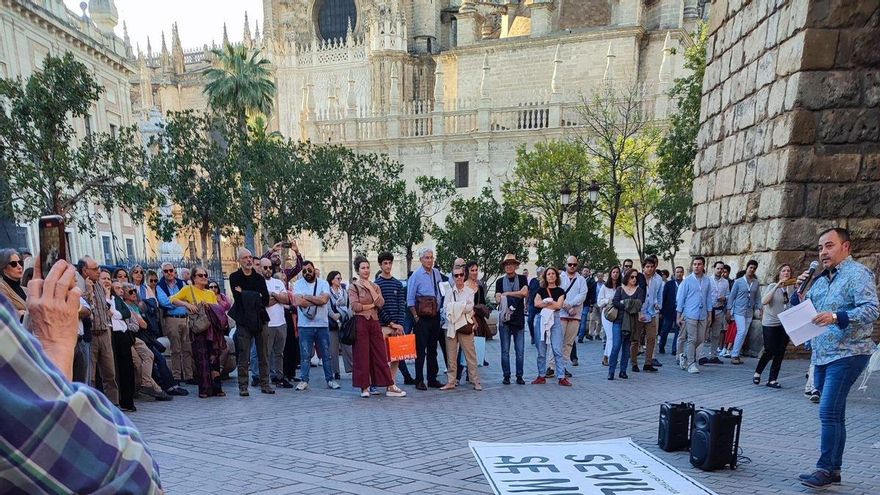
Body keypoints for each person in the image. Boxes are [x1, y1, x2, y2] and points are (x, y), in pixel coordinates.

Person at [0, 260, 162, 493]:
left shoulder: (98, 289)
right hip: (86, 337)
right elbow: (133, 478)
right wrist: (54, 346)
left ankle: (117, 402)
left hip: (90, 337)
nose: (99, 275)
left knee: (108, 373)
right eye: (12, 263)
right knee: (93, 378)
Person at [791, 228, 878, 488]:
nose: (823, 252)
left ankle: (826, 468)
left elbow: (872, 309)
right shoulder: (819, 280)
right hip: (823, 354)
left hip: (848, 352)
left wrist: (837, 316)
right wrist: (800, 293)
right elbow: (809, 310)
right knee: (833, 413)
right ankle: (833, 469)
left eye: (829, 246)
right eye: (820, 248)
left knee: (828, 410)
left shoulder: (858, 274)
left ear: (846, 247)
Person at [349, 256, 405, 397]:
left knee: (380, 354)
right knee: (362, 355)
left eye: (367, 267)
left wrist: (370, 289)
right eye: (363, 268)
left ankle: (390, 385)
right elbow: (355, 306)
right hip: (361, 321)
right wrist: (372, 305)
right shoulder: (353, 287)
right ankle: (365, 387)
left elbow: (381, 303)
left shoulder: (375, 286)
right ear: (358, 270)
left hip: (374, 322)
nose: (366, 270)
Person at [171, 266, 228, 398]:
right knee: (201, 358)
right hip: (198, 328)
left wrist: (210, 306)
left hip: (211, 329)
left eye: (205, 275)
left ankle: (217, 387)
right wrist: (187, 305)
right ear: (194, 278)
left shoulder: (210, 293)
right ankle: (205, 389)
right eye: (200, 275)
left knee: (214, 358)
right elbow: (172, 299)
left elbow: (217, 310)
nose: (204, 278)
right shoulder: (188, 289)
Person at [228, 248, 274, 396]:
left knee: (264, 354)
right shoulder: (234, 277)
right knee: (243, 354)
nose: (248, 260)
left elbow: (265, 299)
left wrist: (245, 293)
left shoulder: (259, 278)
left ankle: (265, 384)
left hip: (260, 318)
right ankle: (243, 386)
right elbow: (238, 298)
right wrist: (255, 296)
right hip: (243, 320)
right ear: (239, 261)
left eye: (250, 257)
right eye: (245, 258)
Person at [78, 256, 119, 405]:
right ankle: (92, 407)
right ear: (85, 270)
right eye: (95, 269)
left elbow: (105, 307)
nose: (98, 271)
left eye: (98, 268)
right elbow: (85, 307)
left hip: (104, 332)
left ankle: (113, 405)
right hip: (91, 335)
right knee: (91, 375)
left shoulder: (100, 285)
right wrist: (88, 291)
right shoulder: (80, 286)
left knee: (110, 373)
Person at [293, 260, 339, 391]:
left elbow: (324, 300)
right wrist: (316, 299)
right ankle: (304, 380)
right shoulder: (298, 284)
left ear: (314, 269)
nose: (307, 273)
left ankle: (330, 379)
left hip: (322, 325)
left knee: (326, 354)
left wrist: (307, 297)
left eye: (309, 270)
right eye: (304, 271)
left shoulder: (323, 283)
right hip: (304, 325)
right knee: (305, 355)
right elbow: (298, 301)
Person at [123, 283, 172, 402]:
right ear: (123, 294)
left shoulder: (136, 306)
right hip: (129, 337)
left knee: (150, 358)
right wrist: (137, 319)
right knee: (140, 362)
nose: (134, 293)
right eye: (130, 292)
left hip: (140, 337)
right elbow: (139, 324)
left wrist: (137, 318)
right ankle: (152, 388)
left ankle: (152, 387)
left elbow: (144, 325)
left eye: (134, 290)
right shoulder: (125, 306)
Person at [407, 247, 444, 390]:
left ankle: (432, 378)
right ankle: (419, 380)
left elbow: (441, 292)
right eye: (426, 258)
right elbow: (410, 299)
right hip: (422, 318)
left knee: (433, 349)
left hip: (435, 316)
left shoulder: (436, 273)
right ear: (421, 259)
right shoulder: (416, 276)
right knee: (420, 350)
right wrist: (416, 317)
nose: (429, 260)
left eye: (431, 257)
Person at [250, 258, 291, 388]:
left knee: (279, 353)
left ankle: (278, 376)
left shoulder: (278, 282)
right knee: (264, 354)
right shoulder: (256, 283)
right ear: (260, 268)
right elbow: (264, 302)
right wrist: (277, 298)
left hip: (281, 323)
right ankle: (262, 377)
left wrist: (273, 295)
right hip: (266, 324)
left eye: (270, 267)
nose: (268, 270)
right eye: (265, 267)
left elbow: (286, 299)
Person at [376, 252, 415, 386]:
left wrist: (399, 324)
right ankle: (378, 382)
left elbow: (401, 305)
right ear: (380, 265)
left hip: (397, 326)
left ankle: (391, 384)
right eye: (385, 263)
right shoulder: (377, 284)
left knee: (396, 357)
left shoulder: (398, 284)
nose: (388, 266)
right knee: (381, 357)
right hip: (383, 326)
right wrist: (391, 323)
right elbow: (379, 308)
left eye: (390, 263)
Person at [753, 264, 795, 388]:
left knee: (780, 351)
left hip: (785, 323)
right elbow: (764, 301)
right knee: (770, 349)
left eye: (788, 271)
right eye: (783, 271)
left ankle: (772, 379)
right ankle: (757, 372)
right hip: (771, 323)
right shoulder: (773, 286)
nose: (786, 273)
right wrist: (778, 285)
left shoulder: (791, 287)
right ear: (779, 274)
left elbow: (794, 303)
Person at [441, 265, 481, 391]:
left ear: (464, 276)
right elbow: (445, 309)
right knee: (451, 356)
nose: (459, 277)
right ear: (452, 277)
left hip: (465, 326)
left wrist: (454, 307)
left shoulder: (469, 291)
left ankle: (475, 381)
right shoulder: (448, 292)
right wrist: (461, 306)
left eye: (461, 275)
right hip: (451, 326)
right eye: (456, 275)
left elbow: (470, 308)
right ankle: (451, 381)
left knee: (471, 355)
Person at [156, 262, 194, 385]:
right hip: (171, 319)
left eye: (171, 270)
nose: (169, 273)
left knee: (187, 348)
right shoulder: (160, 285)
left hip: (185, 317)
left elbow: (188, 298)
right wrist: (181, 301)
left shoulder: (181, 283)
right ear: (163, 273)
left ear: (174, 270)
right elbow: (164, 302)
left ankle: (189, 375)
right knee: (175, 349)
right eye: (166, 271)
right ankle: (176, 376)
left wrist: (174, 300)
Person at [532, 266, 569, 386]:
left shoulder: (560, 291)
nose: (551, 276)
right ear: (545, 277)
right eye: (549, 274)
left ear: (556, 276)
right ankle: (541, 375)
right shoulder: (540, 290)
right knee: (541, 350)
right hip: (542, 320)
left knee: (557, 349)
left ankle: (561, 376)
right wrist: (550, 303)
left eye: (553, 273)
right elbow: (536, 304)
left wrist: (548, 302)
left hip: (555, 319)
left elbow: (558, 306)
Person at [676, 256, 713, 374]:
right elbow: (681, 299)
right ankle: (691, 363)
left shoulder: (707, 280)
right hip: (690, 313)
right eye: (695, 264)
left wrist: (710, 314)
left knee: (701, 339)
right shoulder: (687, 280)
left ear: (703, 266)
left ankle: (685, 356)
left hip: (702, 314)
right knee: (692, 339)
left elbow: (708, 298)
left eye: (699, 264)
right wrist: (679, 315)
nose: (697, 266)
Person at [496, 254, 529, 385]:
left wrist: (507, 294)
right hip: (505, 320)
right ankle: (506, 375)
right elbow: (498, 298)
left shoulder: (522, 279)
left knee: (520, 351)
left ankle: (519, 375)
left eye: (511, 264)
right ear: (504, 266)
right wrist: (517, 293)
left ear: (516, 266)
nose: (509, 266)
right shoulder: (499, 281)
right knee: (505, 351)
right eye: (507, 264)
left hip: (519, 319)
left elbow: (525, 293)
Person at [553, 256, 586, 377]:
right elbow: (557, 293)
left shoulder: (581, 280)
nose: (572, 266)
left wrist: (571, 305)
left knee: (568, 343)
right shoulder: (560, 278)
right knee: (556, 341)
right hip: (561, 313)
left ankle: (563, 366)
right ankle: (551, 366)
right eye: (570, 264)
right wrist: (566, 306)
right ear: (566, 265)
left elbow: (582, 295)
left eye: (574, 265)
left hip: (575, 315)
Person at [609, 268, 645, 380]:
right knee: (615, 347)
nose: (634, 279)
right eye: (632, 277)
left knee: (626, 348)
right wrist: (629, 305)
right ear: (627, 277)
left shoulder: (639, 291)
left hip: (632, 323)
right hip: (618, 321)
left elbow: (639, 304)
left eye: (636, 277)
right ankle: (611, 371)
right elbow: (615, 302)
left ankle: (623, 371)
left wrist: (624, 303)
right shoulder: (620, 289)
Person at [108, 281, 137, 412]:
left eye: (121, 288)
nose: (120, 290)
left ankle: (128, 401)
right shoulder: (107, 299)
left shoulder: (118, 300)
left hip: (123, 334)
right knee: (116, 369)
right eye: (117, 288)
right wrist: (115, 314)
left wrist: (115, 314)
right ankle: (119, 399)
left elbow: (126, 313)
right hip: (112, 334)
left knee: (127, 368)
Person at [727, 260, 762, 364]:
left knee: (744, 333)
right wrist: (729, 310)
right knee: (741, 331)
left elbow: (758, 297)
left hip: (749, 311)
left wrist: (760, 308)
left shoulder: (756, 282)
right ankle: (734, 354)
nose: (752, 270)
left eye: (754, 268)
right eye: (750, 267)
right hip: (739, 310)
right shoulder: (738, 282)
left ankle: (736, 353)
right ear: (747, 268)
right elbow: (732, 296)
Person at [632, 256, 662, 373]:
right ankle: (634, 362)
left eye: (651, 267)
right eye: (647, 267)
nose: (649, 269)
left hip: (651, 312)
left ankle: (648, 362)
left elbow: (657, 295)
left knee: (651, 338)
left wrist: (658, 304)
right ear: (643, 268)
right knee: (635, 339)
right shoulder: (638, 279)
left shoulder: (656, 280)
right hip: (639, 312)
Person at [328, 270, 354, 379]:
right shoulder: (327, 292)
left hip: (344, 322)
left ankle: (352, 369)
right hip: (333, 323)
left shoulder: (343, 292)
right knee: (333, 348)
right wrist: (335, 316)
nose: (340, 280)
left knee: (347, 346)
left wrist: (343, 314)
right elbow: (328, 308)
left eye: (340, 278)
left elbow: (348, 306)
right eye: (338, 278)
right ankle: (335, 371)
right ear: (332, 280)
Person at [703, 261, 730, 365]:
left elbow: (728, 294)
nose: (720, 270)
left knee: (716, 334)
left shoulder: (726, 282)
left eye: (721, 269)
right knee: (703, 334)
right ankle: (700, 355)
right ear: (714, 268)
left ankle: (713, 355)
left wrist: (725, 298)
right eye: (718, 268)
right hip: (708, 310)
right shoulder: (707, 280)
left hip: (719, 310)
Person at [597, 266, 620, 366]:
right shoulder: (605, 286)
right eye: (613, 272)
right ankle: (612, 357)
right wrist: (608, 300)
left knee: (614, 336)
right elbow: (599, 301)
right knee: (611, 336)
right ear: (610, 274)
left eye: (617, 272)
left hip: (618, 313)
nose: (615, 274)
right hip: (607, 313)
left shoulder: (621, 287)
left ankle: (606, 357)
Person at [659, 266, 684, 355]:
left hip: (680, 311)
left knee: (678, 331)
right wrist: (662, 311)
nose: (679, 274)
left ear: (683, 273)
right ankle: (661, 346)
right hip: (669, 310)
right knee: (665, 329)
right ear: (674, 273)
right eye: (677, 272)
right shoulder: (669, 284)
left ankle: (674, 349)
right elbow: (663, 297)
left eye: (681, 272)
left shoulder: (685, 284)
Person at [0, 248, 27, 321]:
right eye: (13, 264)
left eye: (20, 263)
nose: (19, 267)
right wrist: (19, 313)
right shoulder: (1, 287)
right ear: (4, 268)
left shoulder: (24, 289)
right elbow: (9, 313)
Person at [526, 267, 543, 347]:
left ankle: (540, 337)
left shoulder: (544, 282)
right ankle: (533, 336)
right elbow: (528, 292)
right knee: (529, 320)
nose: (539, 274)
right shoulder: (533, 280)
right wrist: (526, 303)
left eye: (541, 272)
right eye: (538, 272)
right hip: (532, 303)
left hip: (541, 304)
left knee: (541, 322)